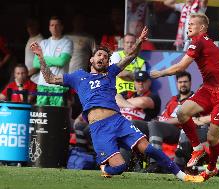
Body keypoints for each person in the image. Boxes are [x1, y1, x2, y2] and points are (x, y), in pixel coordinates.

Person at [30, 27, 199, 182]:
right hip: (99, 128)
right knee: (120, 167)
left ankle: (183, 176)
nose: (102, 58)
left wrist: (139, 42)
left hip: (118, 121)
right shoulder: (78, 77)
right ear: (91, 59)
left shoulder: (110, 73)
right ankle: (104, 165)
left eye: (105, 57)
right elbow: (50, 78)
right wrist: (40, 56)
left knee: (149, 149)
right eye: (99, 55)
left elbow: (130, 56)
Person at [151, 13, 219, 182]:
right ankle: (197, 149)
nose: (188, 26)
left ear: (202, 28)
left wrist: (160, 72)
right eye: (188, 23)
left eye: (192, 24)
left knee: (212, 138)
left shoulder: (199, 41)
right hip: (209, 88)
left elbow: (181, 66)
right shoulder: (200, 42)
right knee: (182, 112)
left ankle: (211, 168)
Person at [32, 16, 73, 106]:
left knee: (57, 115)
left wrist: (43, 59)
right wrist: (53, 60)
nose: (54, 27)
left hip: (58, 86)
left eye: (57, 25)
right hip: (43, 85)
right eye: (52, 25)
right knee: (42, 115)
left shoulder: (67, 42)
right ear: (49, 27)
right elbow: (35, 63)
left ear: (62, 27)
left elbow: (61, 62)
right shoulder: (43, 43)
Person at [25, 18, 44, 84]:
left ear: (37, 26)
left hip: (36, 80)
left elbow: (40, 63)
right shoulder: (31, 38)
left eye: (32, 25)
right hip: (30, 78)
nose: (30, 27)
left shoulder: (39, 40)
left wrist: (26, 76)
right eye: (28, 25)